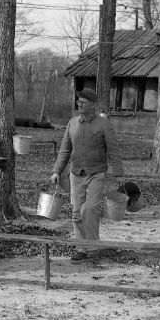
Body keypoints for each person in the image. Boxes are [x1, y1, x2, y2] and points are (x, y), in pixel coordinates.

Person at [50, 89, 124, 261]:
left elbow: (113, 149)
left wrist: (118, 173)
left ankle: (93, 247)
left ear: (93, 105)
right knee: (77, 211)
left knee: (89, 209)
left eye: (83, 102)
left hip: (96, 173)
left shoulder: (104, 124)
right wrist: (56, 171)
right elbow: (65, 149)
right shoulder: (72, 123)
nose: (79, 104)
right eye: (78, 101)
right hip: (75, 174)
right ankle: (81, 248)